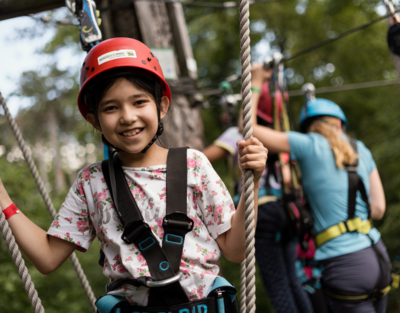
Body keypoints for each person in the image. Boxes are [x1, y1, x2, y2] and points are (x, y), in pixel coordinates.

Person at [0, 38, 268, 312]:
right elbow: (47, 257)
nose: (127, 117)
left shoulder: (193, 165)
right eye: (111, 108)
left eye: (139, 102)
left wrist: (253, 183)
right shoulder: (92, 183)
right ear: (94, 120)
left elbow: (236, 250)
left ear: (161, 106)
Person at [246, 63, 389, 313]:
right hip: (377, 255)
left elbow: (248, 130)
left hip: (345, 264)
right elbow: (378, 209)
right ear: (340, 124)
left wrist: (256, 81)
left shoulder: (308, 144)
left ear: (308, 126)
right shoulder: (361, 148)